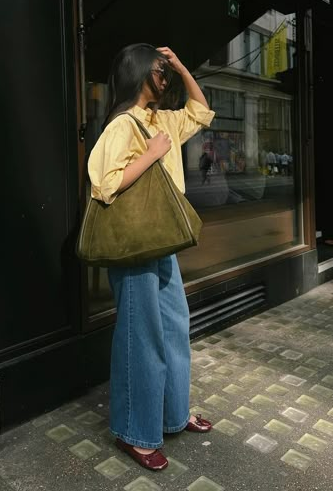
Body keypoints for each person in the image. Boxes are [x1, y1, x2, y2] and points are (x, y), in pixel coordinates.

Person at [88, 43, 215, 471]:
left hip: (162, 241)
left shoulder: (164, 120)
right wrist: (152, 154)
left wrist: (182, 64)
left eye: (167, 70)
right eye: (160, 70)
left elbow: (200, 110)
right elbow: (105, 184)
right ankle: (135, 432)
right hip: (133, 244)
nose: (165, 76)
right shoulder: (122, 125)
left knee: (175, 329)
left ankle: (173, 416)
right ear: (138, 73)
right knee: (139, 338)